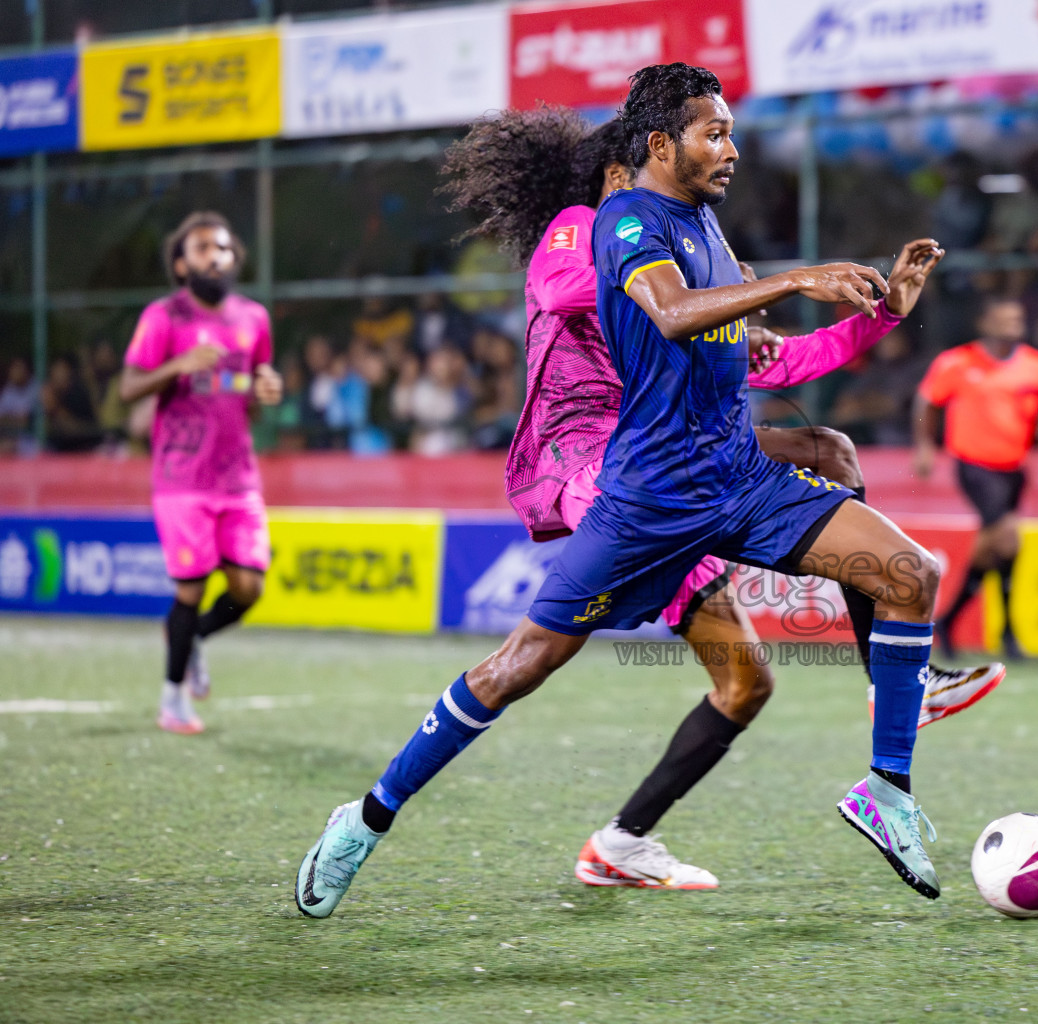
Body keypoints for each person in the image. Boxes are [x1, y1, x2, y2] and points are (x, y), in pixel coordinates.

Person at [295, 63, 956, 918]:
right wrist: (795, 278)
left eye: (730, 131)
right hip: (641, 494)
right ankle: (366, 818)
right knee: (519, 666)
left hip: (739, 479)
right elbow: (675, 313)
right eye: (713, 133)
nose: (732, 148)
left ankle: (885, 790)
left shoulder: (712, 236)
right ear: (656, 146)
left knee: (908, 572)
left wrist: (882, 313)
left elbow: (773, 358)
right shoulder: (618, 221)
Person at [119, 211, 282, 735]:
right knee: (189, 589)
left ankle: (192, 641)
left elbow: (250, 393)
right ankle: (172, 702)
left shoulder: (254, 318)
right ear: (181, 263)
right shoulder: (163, 317)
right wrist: (177, 366)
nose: (216, 255)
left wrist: (266, 391)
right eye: (203, 247)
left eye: (225, 247)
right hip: (181, 478)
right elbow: (128, 387)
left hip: (239, 478)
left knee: (249, 587)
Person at [913, 294, 1038, 661]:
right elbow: (926, 402)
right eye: (1005, 319)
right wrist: (925, 445)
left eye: (1017, 319)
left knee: (997, 549)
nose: (1013, 326)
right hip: (974, 465)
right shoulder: (957, 362)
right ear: (985, 324)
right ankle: (1007, 631)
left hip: (1013, 469)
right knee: (1007, 538)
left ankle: (949, 622)